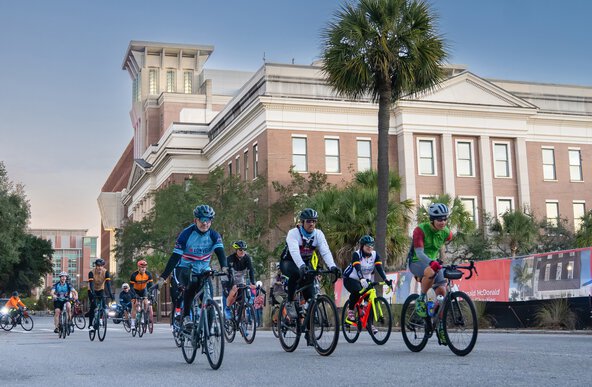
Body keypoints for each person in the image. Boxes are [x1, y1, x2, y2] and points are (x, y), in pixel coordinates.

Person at [156, 204, 228, 330]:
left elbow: (221, 253)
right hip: (185, 268)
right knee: (192, 283)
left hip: (204, 269)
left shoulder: (214, 235)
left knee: (208, 297)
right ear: (195, 220)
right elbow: (174, 257)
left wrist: (225, 268)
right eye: (202, 220)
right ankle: (186, 316)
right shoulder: (186, 234)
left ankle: (207, 336)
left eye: (208, 220)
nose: (205, 224)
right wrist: (163, 277)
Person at [280, 208, 341, 320]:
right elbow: (294, 251)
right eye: (308, 221)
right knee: (296, 273)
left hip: (305, 263)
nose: (311, 223)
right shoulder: (293, 233)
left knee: (311, 295)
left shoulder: (318, 234)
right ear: (302, 222)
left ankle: (309, 327)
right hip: (288, 261)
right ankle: (290, 302)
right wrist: (301, 266)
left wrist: (332, 266)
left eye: (314, 221)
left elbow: (325, 251)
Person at [408, 203, 452, 343]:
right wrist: (432, 262)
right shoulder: (420, 230)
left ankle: (439, 327)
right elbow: (419, 253)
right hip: (416, 261)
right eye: (439, 219)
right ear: (432, 219)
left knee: (442, 293)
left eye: (445, 219)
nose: (443, 222)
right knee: (431, 271)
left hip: (433, 264)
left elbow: (442, 247)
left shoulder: (447, 233)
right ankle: (421, 299)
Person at [342, 235, 393, 333]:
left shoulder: (375, 255)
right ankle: (351, 310)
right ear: (362, 246)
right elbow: (357, 268)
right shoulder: (356, 254)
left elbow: (379, 268)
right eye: (367, 246)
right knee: (357, 291)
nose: (370, 247)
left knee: (371, 300)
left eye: (371, 245)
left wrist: (386, 280)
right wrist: (361, 278)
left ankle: (369, 323)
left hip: (365, 279)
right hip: (350, 278)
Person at [227, 240, 256, 310]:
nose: (242, 251)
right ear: (236, 250)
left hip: (240, 278)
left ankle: (242, 313)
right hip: (229, 277)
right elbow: (229, 272)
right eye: (240, 249)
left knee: (242, 295)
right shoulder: (230, 258)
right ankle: (227, 308)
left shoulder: (247, 258)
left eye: (244, 249)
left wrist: (253, 283)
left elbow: (251, 270)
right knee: (233, 291)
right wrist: (233, 284)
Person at [88, 258, 114, 330]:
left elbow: (108, 284)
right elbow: (91, 284)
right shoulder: (91, 272)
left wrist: (111, 294)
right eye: (98, 266)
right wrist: (93, 293)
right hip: (91, 290)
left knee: (103, 305)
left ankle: (100, 319)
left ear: (103, 266)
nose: (100, 267)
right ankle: (90, 324)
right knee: (93, 307)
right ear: (96, 266)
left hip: (100, 289)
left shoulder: (106, 272)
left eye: (101, 266)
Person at [130, 260, 154, 326]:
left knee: (146, 302)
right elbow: (131, 287)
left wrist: (150, 294)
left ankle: (143, 316)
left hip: (143, 290)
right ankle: (132, 323)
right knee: (135, 305)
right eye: (142, 267)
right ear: (138, 268)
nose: (143, 268)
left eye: (145, 267)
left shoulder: (148, 274)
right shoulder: (134, 275)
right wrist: (134, 295)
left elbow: (150, 286)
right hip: (135, 290)